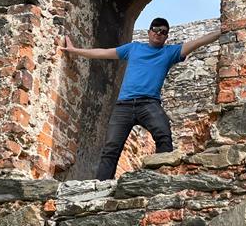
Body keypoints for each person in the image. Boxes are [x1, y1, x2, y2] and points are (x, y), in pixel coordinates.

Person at [64, 17, 221, 180]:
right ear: (149, 32)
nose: (158, 33)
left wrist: (223, 30)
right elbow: (104, 52)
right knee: (111, 148)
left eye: (163, 32)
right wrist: (75, 51)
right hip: (123, 106)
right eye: (155, 29)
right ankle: (101, 185)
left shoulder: (169, 52)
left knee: (163, 134)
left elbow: (199, 42)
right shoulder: (134, 48)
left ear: (166, 37)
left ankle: (162, 178)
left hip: (149, 104)